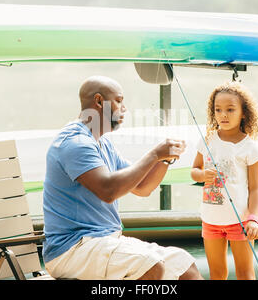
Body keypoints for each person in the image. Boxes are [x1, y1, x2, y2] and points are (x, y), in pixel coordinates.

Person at [42, 75, 203, 280]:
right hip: (72, 250)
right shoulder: (75, 143)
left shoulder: (103, 143)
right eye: (119, 101)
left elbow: (143, 187)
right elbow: (108, 191)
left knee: (184, 265)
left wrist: (164, 159)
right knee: (150, 266)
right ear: (99, 101)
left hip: (106, 242)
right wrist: (154, 154)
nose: (124, 108)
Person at [190, 81, 258, 280]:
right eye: (218, 110)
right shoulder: (207, 140)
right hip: (210, 219)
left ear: (244, 113)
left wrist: (254, 220)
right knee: (217, 273)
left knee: (245, 273)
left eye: (230, 110)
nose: (223, 115)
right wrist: (202, 175)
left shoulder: (250, 148)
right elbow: (194, 170)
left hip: (240, 221)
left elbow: (255, 189)